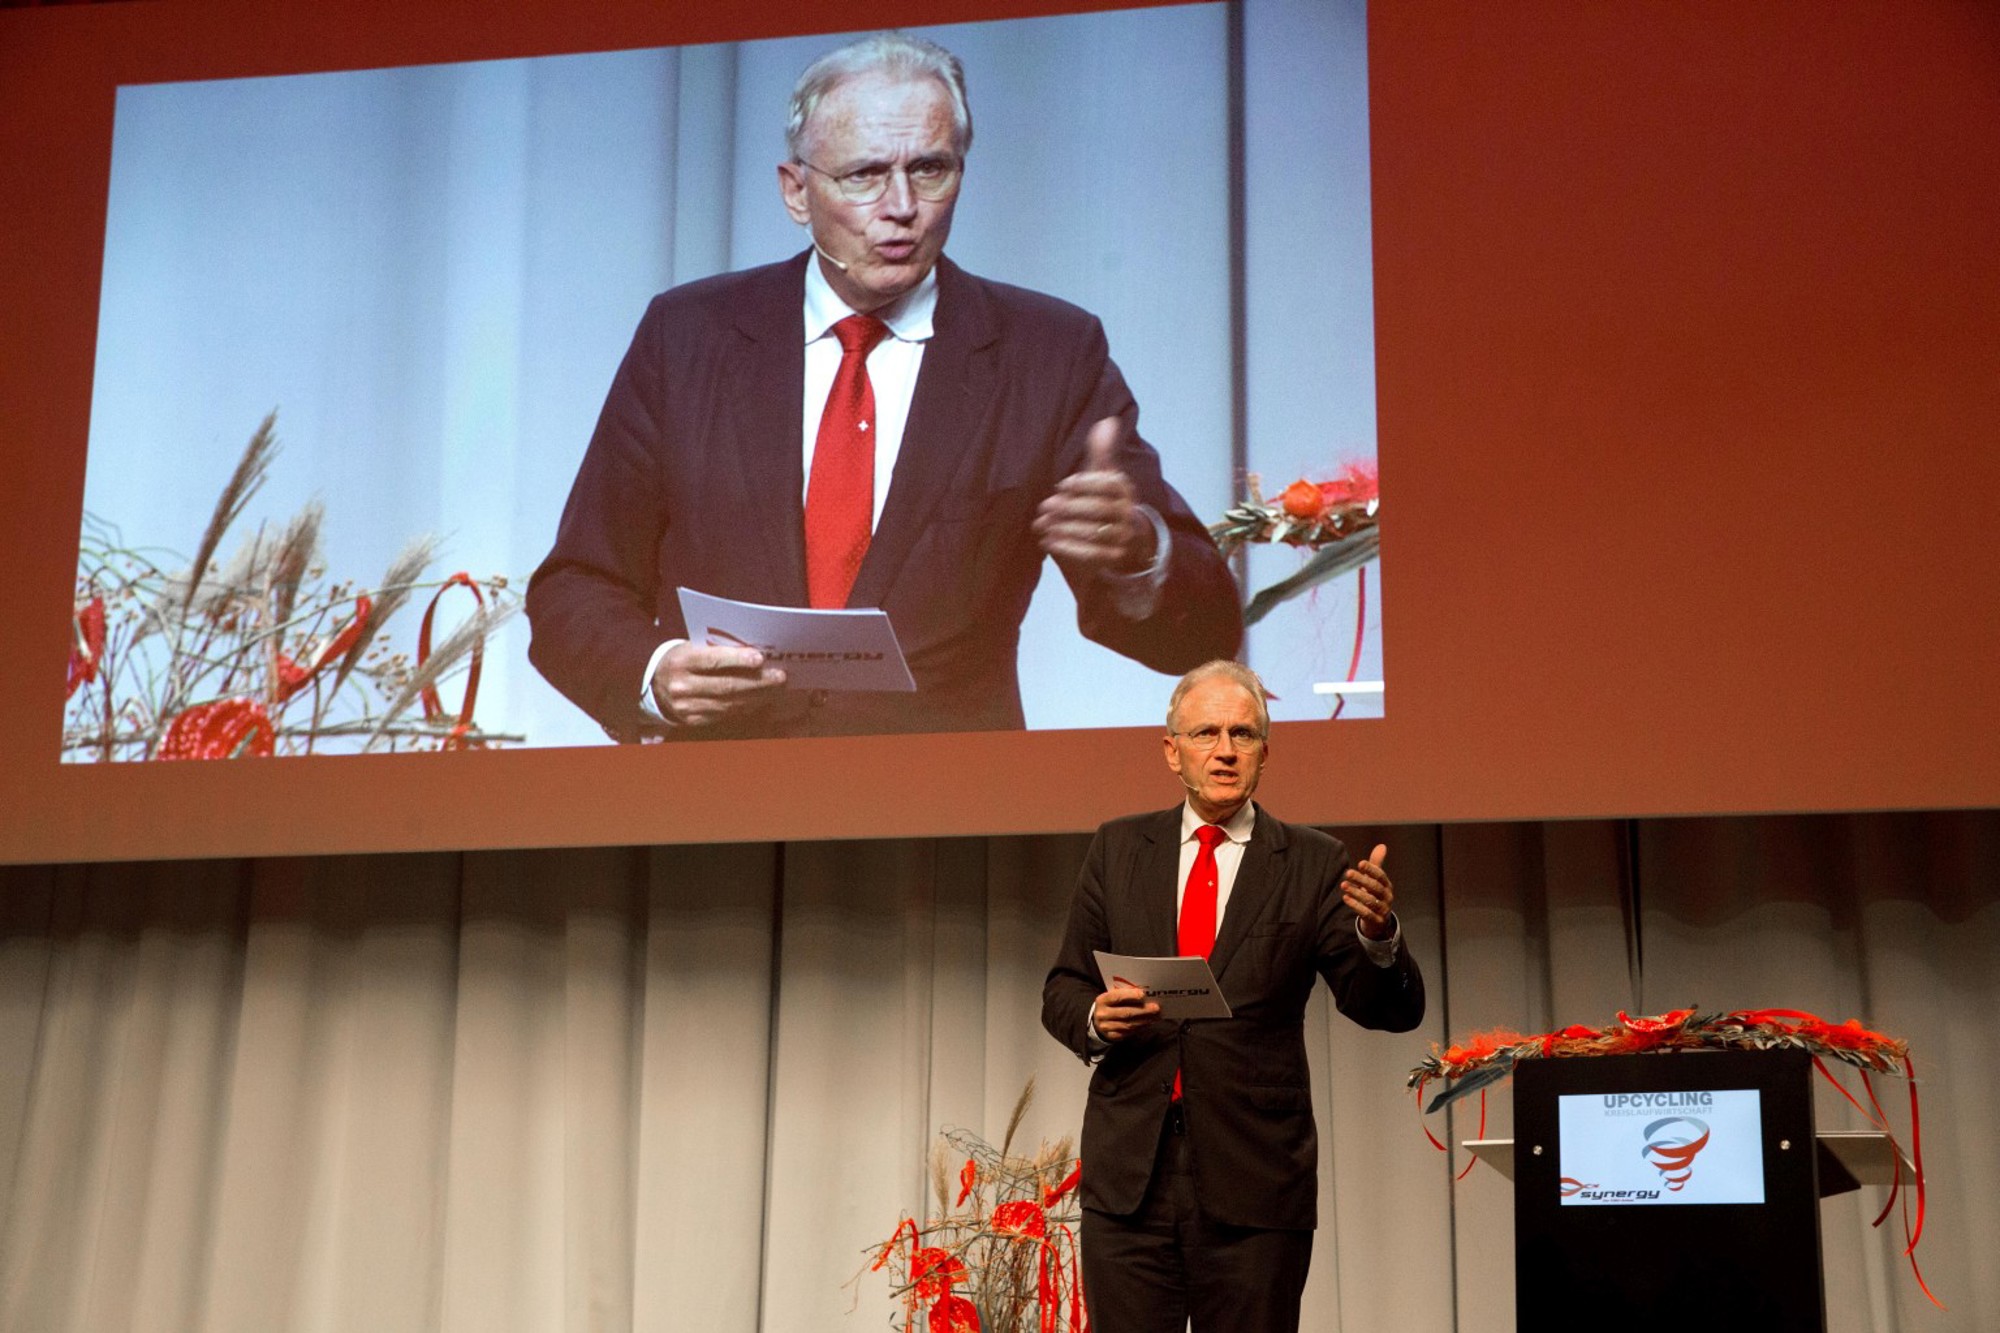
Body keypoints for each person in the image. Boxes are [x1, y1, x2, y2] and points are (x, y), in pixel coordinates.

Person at [525, 31, 1242, 740]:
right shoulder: (687, 335)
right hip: (720, 795)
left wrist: (1138, 553)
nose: (902, 206)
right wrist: (653, 674)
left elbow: (1205, 632)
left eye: (930, 170)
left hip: (947, 800)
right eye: (865, 175)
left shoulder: (1048, 352)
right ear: (796, 191)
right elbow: (575, 587)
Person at [1041, 659, 1424, 1332]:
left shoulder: (1312, 861)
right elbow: (1063, 989)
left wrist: (1378, 937)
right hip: (1130, 1182)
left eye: (1243, 734)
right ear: (1172, 751)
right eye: (1206, 733)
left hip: (1256, 1182)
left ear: (1264, 753)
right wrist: (1096, 1017)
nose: (1225, 750)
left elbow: (1387, 1008)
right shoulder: (1119, 847)